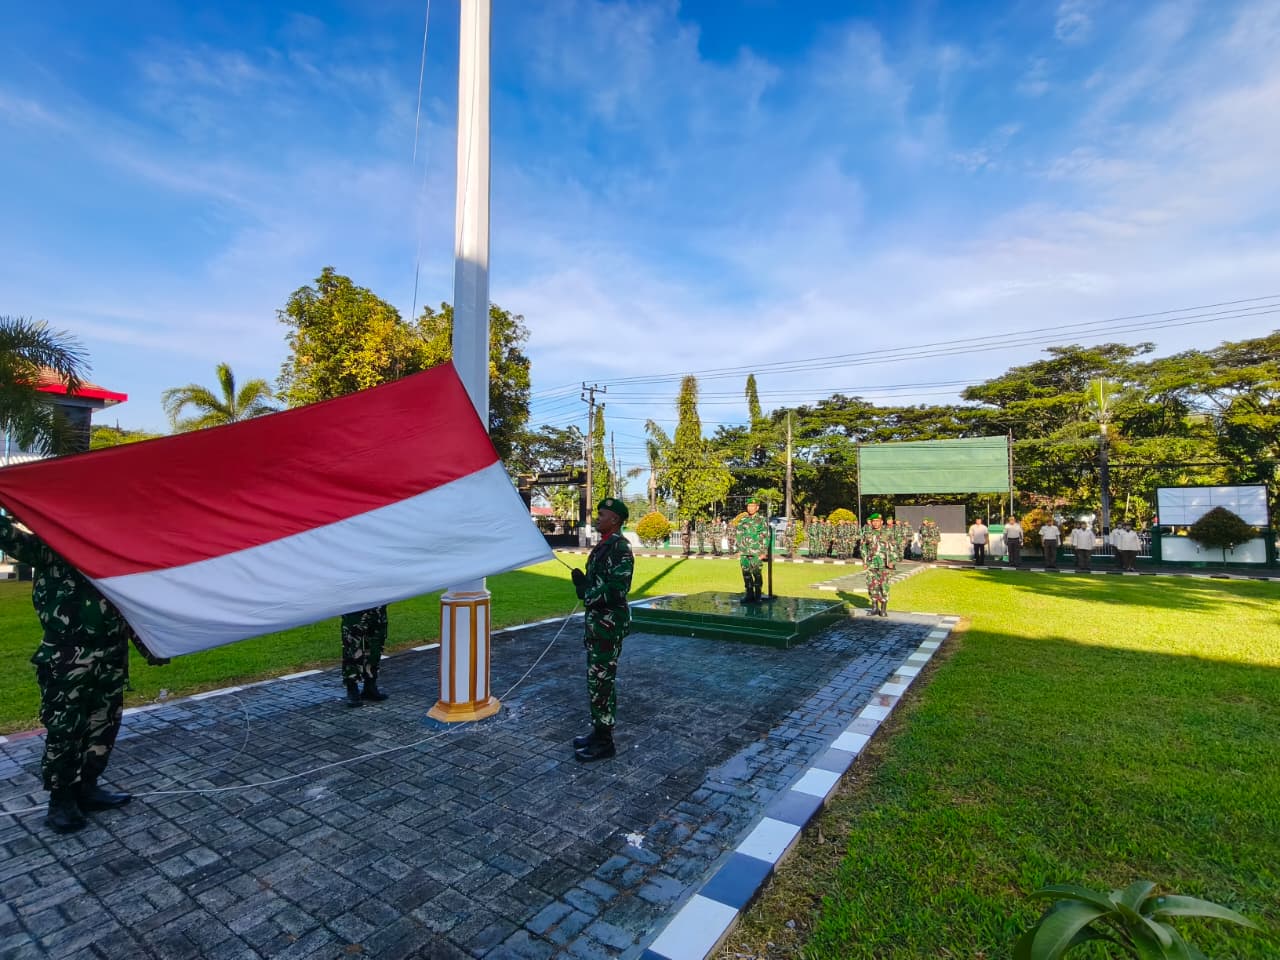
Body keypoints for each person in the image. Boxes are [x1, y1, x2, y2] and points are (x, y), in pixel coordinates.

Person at [0, 511, 168, 834]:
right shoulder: (49, 548)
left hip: (111, 654)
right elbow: (7, 536)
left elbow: (129, 606)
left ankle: (88, 787)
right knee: (66, 728)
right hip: (67, 656)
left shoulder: (112, 553)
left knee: (104, 723)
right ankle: (61, 799)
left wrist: (150, 646)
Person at [569, 498, 634, 763]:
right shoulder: (604, 545)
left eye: (602, 514)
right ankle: (598, 731)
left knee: (602, 681)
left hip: (609, 625)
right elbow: (601, 582)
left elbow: (618, 588)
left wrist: (588, 594)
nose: (598, 518)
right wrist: (584, 585)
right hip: (597, 624)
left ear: (615, 520)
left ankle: (605, 742)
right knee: (596, 680)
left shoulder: (620, 547)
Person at [340, 605, 389, 706]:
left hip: (377, 610)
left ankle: (370, 686)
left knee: (375, 648)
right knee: (352, 649)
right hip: (354, 609)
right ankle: (352, 689)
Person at [735, 497, 769, 603]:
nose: (750, 508)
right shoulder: (743, 521)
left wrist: (763, 552)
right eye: (749, 506)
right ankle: (749, 594)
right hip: (745, 552)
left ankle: (758, 595)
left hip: (756, 552)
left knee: (757, 573)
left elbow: (765, 536)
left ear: (757, 507)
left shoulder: (761, 520)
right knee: (746, 574)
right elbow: (739, 535)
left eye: (752, 506)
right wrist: (739, 550)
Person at [859, 514, 892, 616]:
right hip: (871, 564)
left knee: (884, 586)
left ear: (882, 522)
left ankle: (883, 609)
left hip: (884, 564)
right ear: (871, 522)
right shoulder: (867, 533)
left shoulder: (888, 533)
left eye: (878, 521)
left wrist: (892, 561)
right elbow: (863, 548)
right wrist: (864, 561)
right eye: (873, 521)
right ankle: (874, 608)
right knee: (872, 585)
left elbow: (894, 547)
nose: (875, 523)